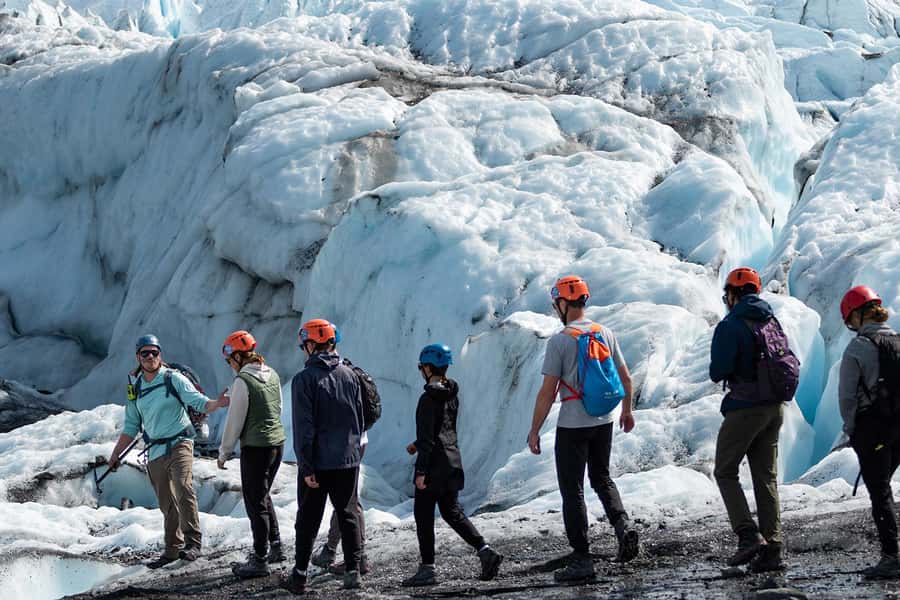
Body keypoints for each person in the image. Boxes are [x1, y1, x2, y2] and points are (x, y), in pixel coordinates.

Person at [527, 275, 639, 582]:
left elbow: (547, 393)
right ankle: (623, 526)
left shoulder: (561, 340)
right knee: (602, 477)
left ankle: (581, 559)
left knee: (572, 489)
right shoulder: (605, 332)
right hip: (603, 420)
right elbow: (626, 378)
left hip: (573, 424)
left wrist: (534, 430)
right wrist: (627, 411)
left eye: (556, 304)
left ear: (563, 303)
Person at [107, 334, 229, 569]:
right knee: (166, 501)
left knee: (183, 487)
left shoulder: (173, 379)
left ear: (160, 355)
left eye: (154, 352)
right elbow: (132, 426)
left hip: (180, 441)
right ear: (138, 357)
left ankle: (193, 543)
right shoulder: (136, 388)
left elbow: (199, 402)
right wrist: (115, 455)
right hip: (155, 449)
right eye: (145, 353)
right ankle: (172, 549)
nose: (150, 357)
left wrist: (217, 403)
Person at [401, 344, 503, 587]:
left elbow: (429, 437)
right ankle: (485, 551)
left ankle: (428, 569)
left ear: (427, 368)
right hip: (452, 460)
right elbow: (443, 428)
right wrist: (417, 444)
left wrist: (421, 471)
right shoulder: (451, 394)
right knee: (452, 512)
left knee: (423, 515)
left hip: (433, 465)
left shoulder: (427, 399)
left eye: (420, 367)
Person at [709, 267, 788, 572]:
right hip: (775, 407)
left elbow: (718, 371)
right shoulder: (770, 319)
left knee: (725, 471)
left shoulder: (731, 325)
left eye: (727, 293)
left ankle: (747, 535)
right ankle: (773, 549)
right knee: (765, 477)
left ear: (734, 294)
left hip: (745, 406)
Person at [280, 319, 365, 594]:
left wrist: (306, 465)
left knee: (308, 519)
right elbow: (359, 419)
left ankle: (300, 576)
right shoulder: (350, 375)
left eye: (304, 344)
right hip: (348, 459)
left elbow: (304, 427)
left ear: (311, 344)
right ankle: (353, 572)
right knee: (348, 513)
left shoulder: (304, 380)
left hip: (318, 462)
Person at [838, 285, 900, 579]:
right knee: (884, 486)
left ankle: (891, 557)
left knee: (880, 492)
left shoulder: (858, 348)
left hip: (873, 429)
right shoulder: (898, 341)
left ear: (857, 316)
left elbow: (847, 396)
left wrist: (852, 429)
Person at [217, 330, 287, 578]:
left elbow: (235, 419)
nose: (229, 366)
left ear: (237, 356)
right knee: (263, 494)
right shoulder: (272, 374)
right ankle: (276, 546)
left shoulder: (242, 381)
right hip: (277, 443)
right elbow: (277, 406)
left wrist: (224, 451)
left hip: (256, 448)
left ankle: (260, 559)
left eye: (229, 361)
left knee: (254, 501)